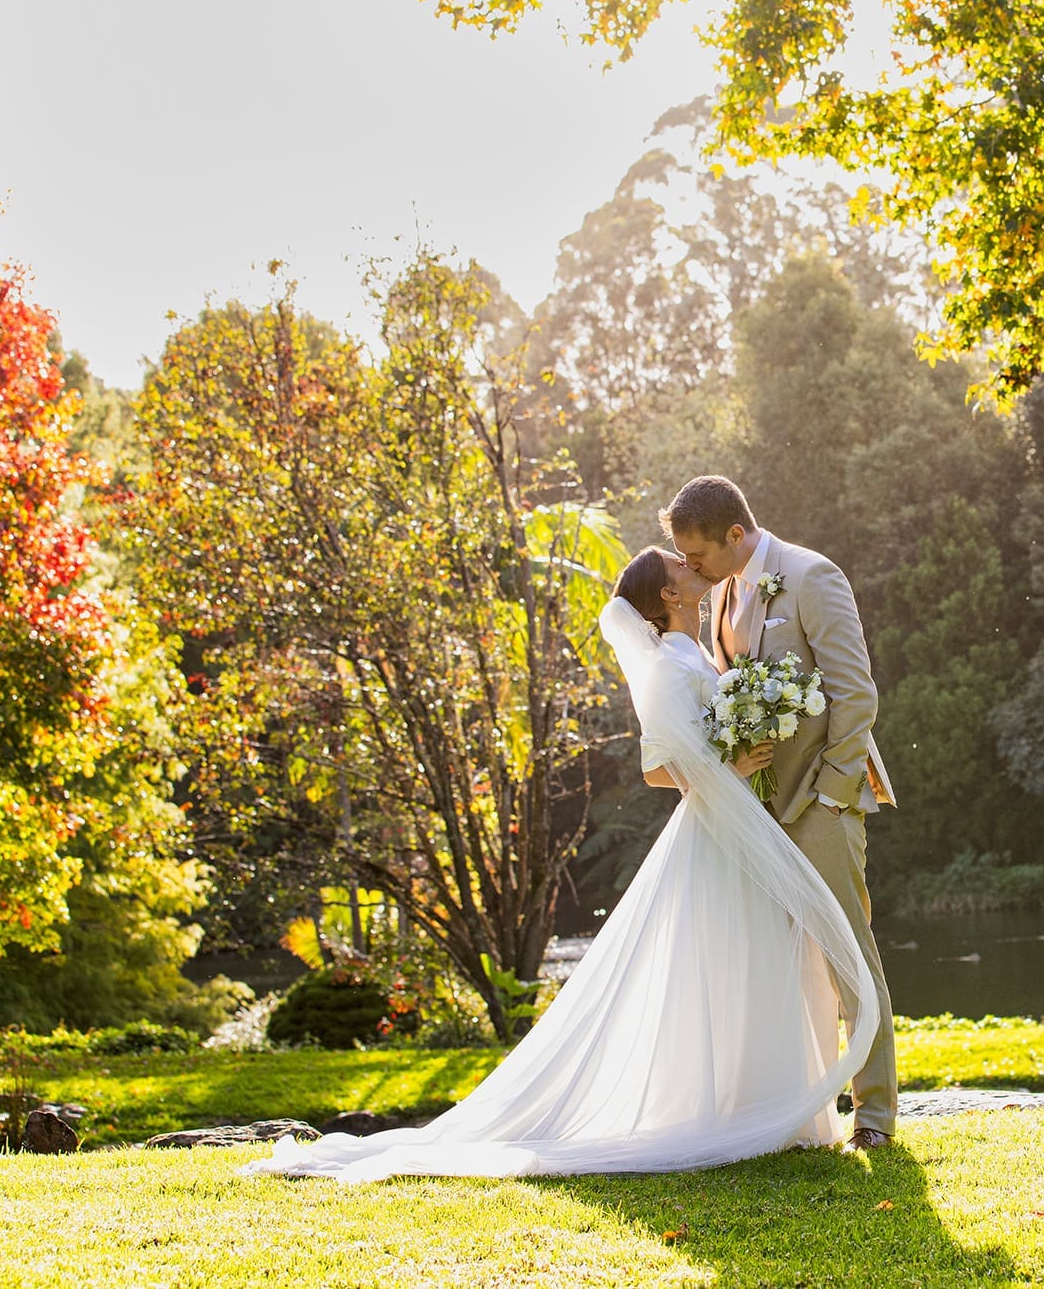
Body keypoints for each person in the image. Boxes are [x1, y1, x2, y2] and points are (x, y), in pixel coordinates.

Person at [238, 545, 878, 1182]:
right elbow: (661, 767)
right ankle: (749, 1113)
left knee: (754, 959)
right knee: (732, 960)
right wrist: (728, 769)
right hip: (718, 828)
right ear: (668, 596)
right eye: (681, 567)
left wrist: (733, 758)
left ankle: (771, 1109)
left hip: (736, 823)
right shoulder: (668, 666)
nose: (693, 567)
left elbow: (680, 756)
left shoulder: (696, 649)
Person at [663, 475, 899, 1151]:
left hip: (821, 802)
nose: (690, 567)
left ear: (734, 534)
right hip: (757, 811)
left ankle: (875, 1117)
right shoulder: (722, 596)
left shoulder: (812, 577)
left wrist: (829, 792)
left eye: (695, 552)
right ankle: (796, 1113)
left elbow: (856, 696)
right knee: (778, 965)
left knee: (849, 957)